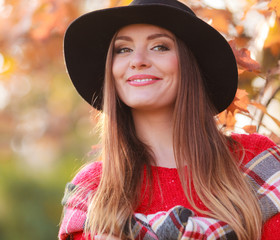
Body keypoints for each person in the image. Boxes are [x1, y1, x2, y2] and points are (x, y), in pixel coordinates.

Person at [58, 0, 280, 239]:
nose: (138, 60)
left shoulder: (255, 162)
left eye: (159, 47)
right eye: (123, 49)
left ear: (189, 64)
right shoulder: (94, 191)